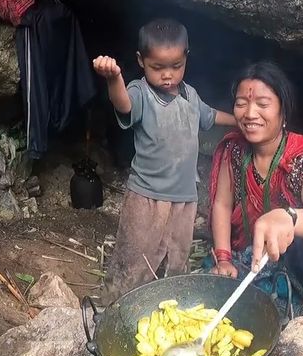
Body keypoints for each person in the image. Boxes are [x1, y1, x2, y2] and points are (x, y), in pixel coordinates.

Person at [92, 18, 236, 304]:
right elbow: (123, 104)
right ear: (141, 61)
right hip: (147, 197)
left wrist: (239, 121)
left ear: (186, 58)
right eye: (158, 67)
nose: (168, 75)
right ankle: (116, 307)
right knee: (134, 256)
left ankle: (165, 306)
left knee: (175, 258)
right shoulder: (140, 92)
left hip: (184, 199)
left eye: (176, 66)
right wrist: (113, 78)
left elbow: (209, 116)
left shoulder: (190, 94)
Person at [208, 61, 303, 316]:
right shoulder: (234, 151)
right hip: (257, 253)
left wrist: (289, 217)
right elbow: (222, 204)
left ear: (283, 111)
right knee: (215, 289)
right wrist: (223, 258)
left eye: (263, 104)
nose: (250, 113)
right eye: (241, 103)